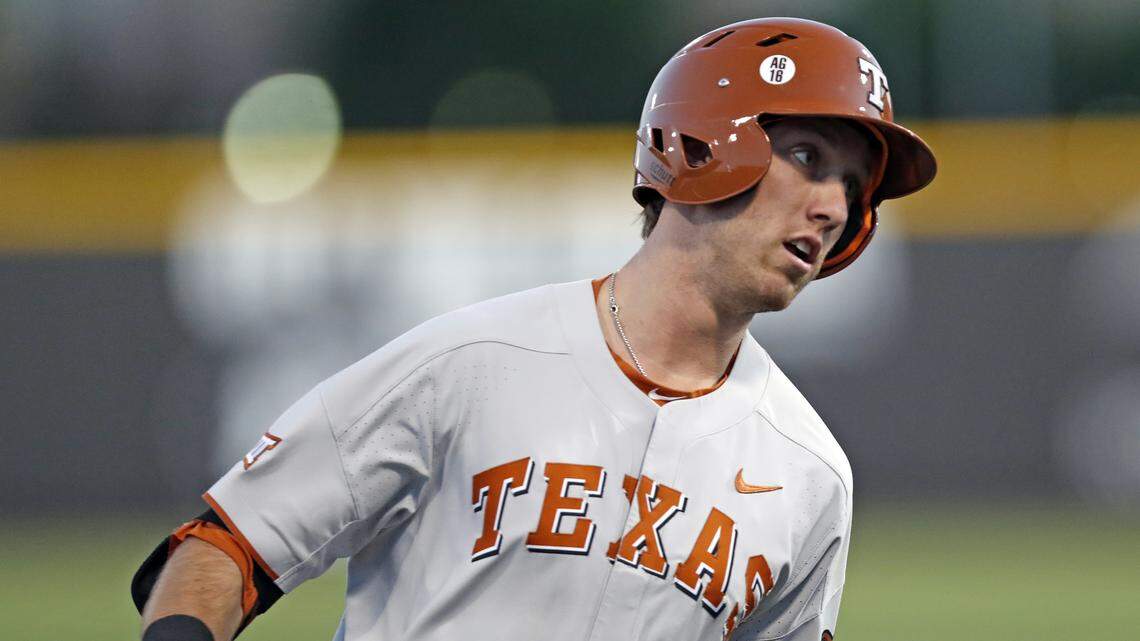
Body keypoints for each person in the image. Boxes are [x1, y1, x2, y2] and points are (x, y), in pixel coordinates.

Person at [133, 17, 935, 641]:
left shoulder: (809, 474)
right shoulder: (474, 362)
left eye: (852, 183)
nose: (833, 205)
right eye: (805, 154)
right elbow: (226, 544)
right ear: (701, 142)